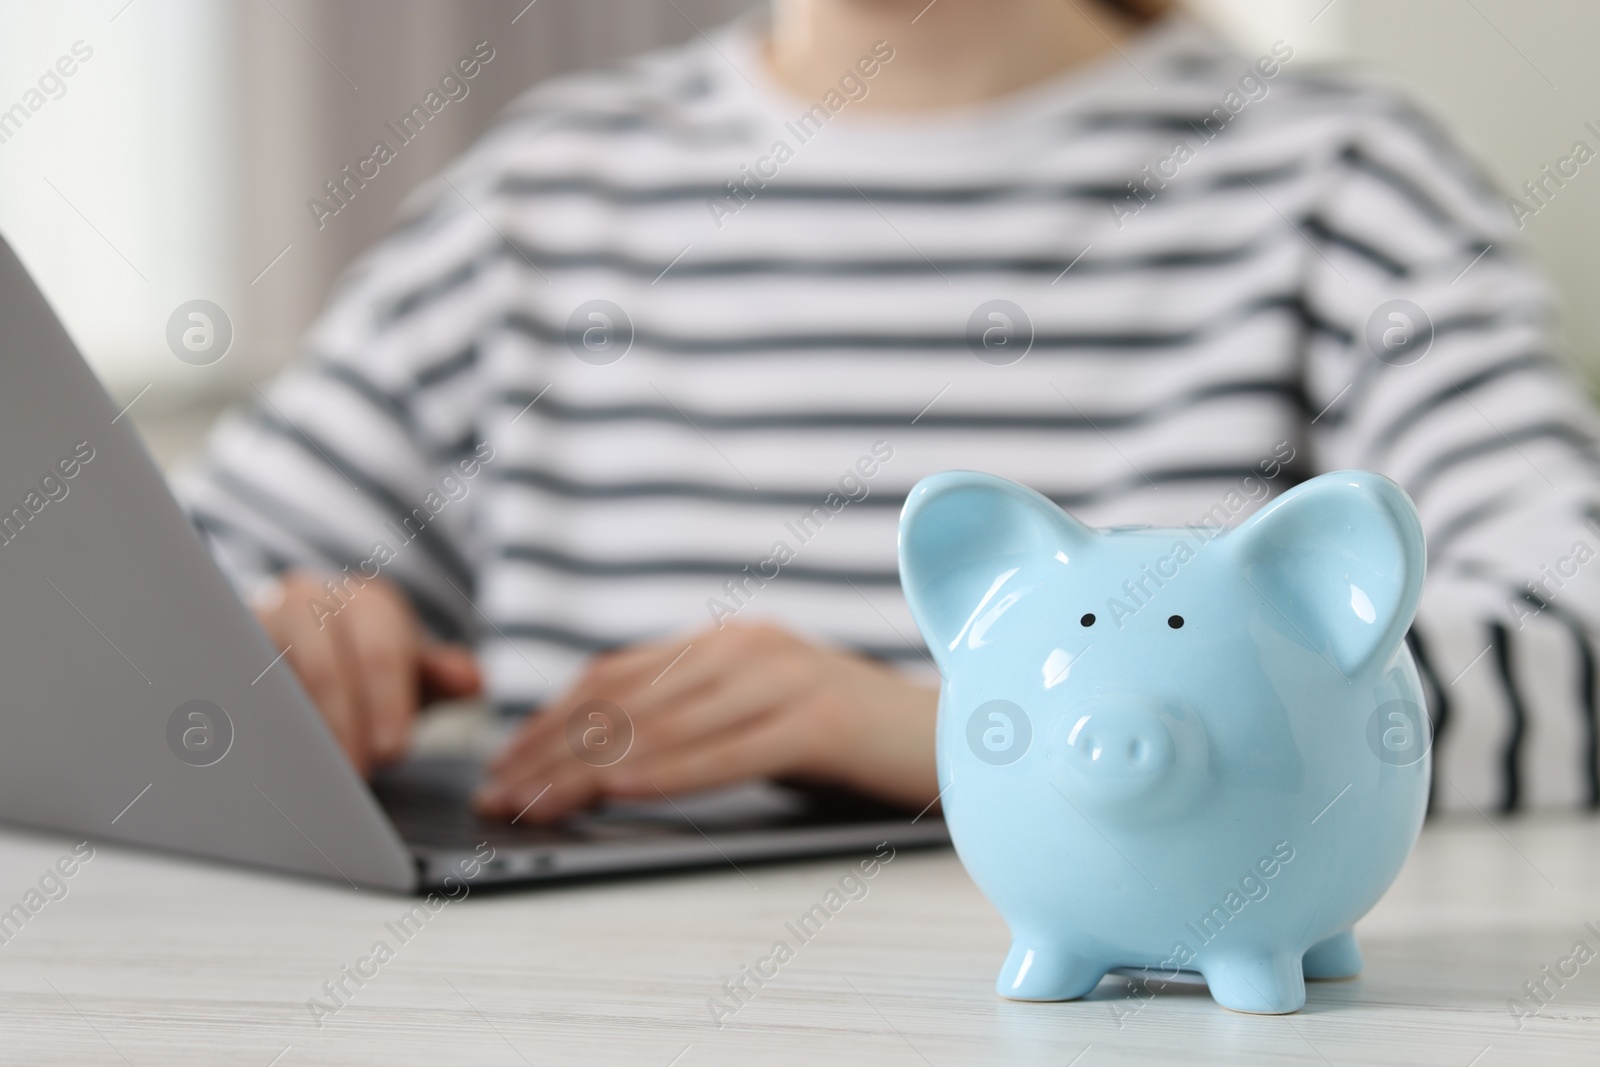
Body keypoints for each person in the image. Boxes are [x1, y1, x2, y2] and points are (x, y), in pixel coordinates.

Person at [179, 0, 1600, 823]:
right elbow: (140, 599)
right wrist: (272, 641)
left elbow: (1575, 651)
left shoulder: (1332, 181)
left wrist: (968, 736)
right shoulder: (540, 200)